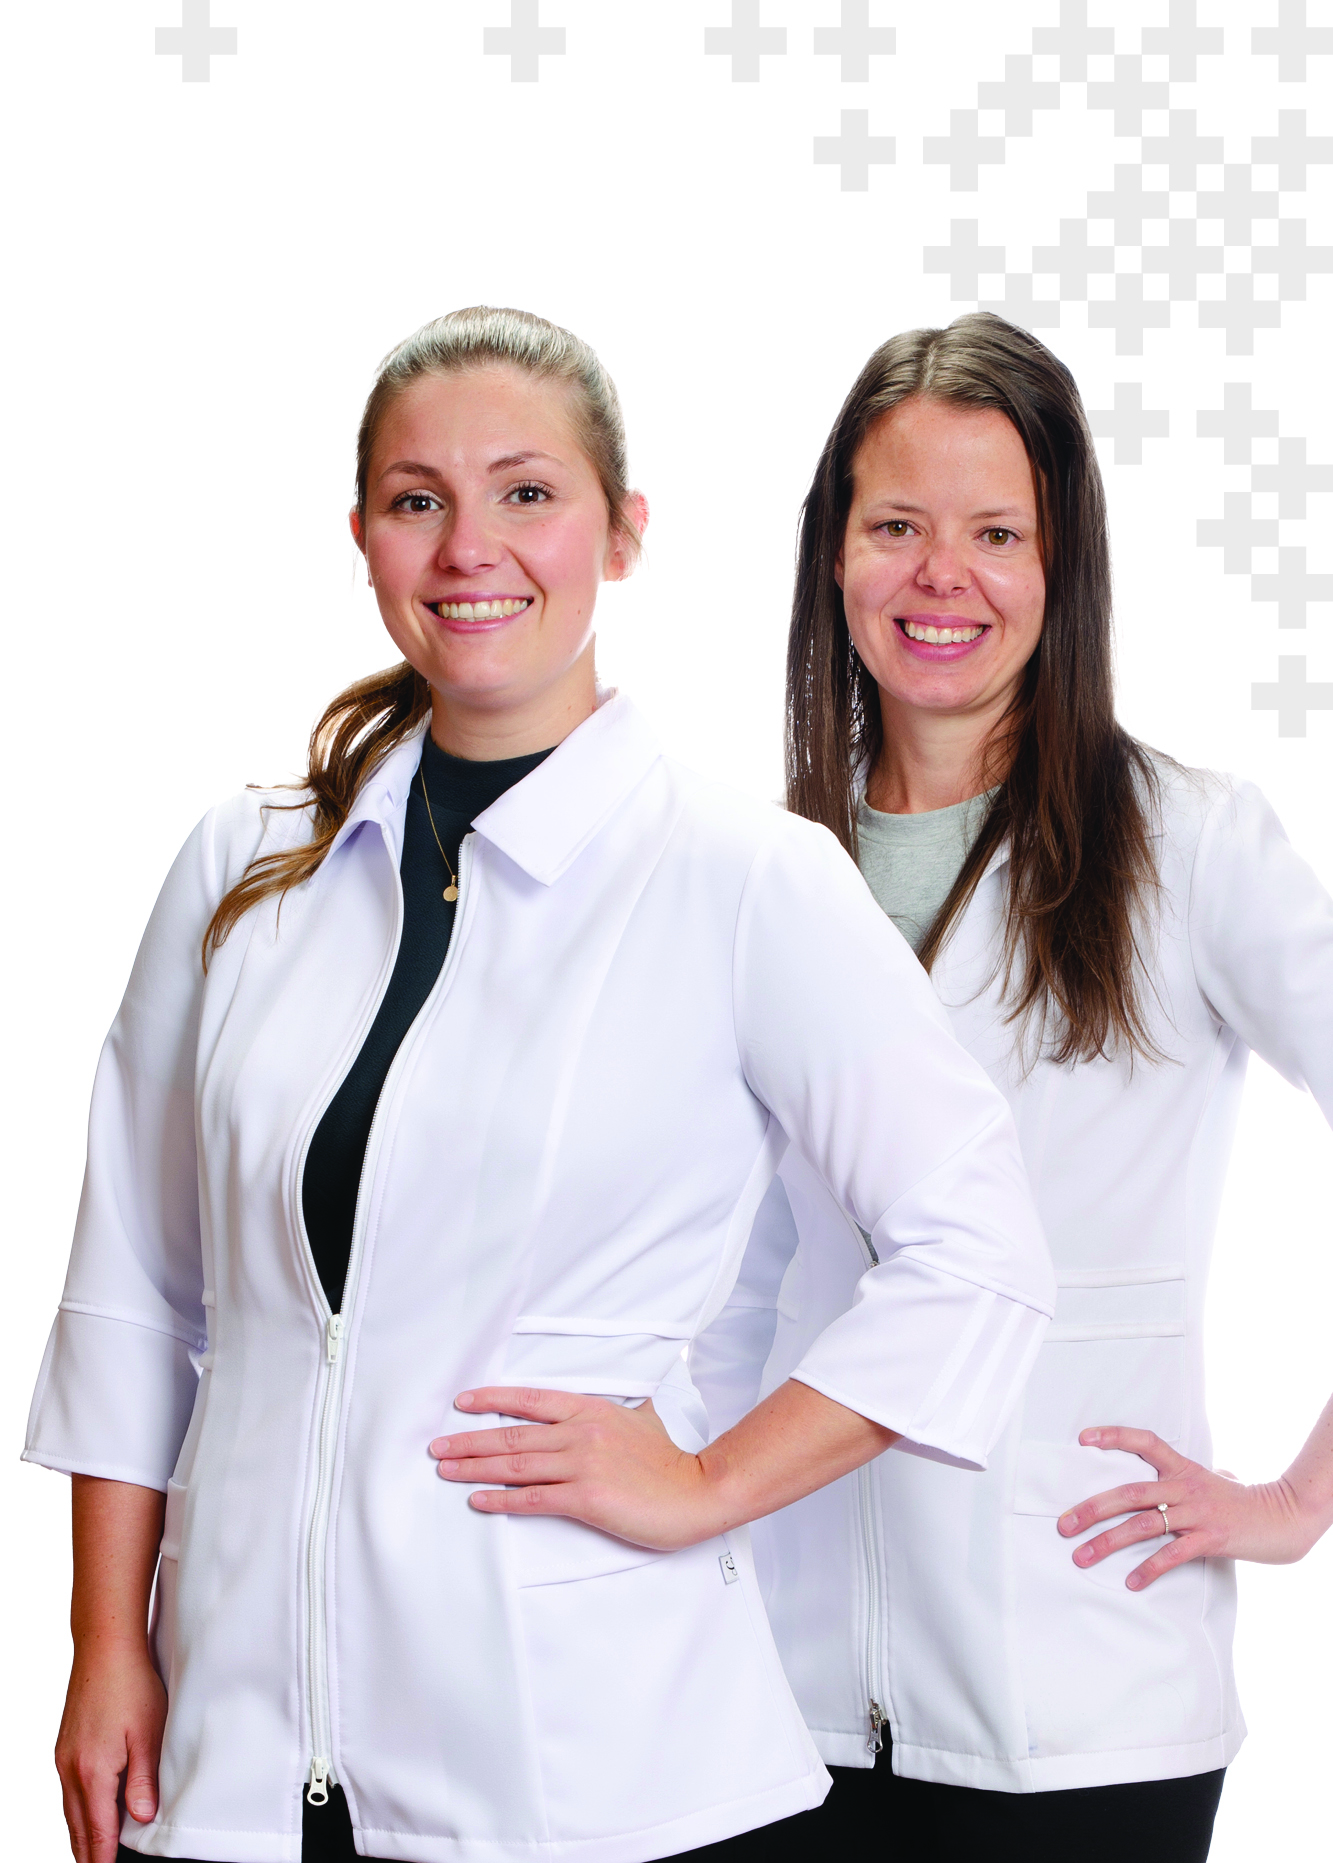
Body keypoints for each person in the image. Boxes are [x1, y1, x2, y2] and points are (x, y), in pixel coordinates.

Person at [23, 306, 1054, 1863]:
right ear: (364, 536)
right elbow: (135, 1285)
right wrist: (108, 1639)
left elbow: (977, 1253)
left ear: (621, 533)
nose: (469, 548)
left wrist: (706, 1481)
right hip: (233, 1753)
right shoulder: (245, 868)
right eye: (417, 499)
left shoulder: (740, 879)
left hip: (585, 1769)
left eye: (526, 493)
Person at [684, 311, 1333, 1862]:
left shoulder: (1191, 846)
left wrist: (1298, 1499)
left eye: (995, 533)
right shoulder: (758, 872)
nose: (941, 577)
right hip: (784, 1695)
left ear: (1061, 565)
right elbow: (719, 1279)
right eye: (895, 526)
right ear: (833, 553)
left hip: (1083, 1696)